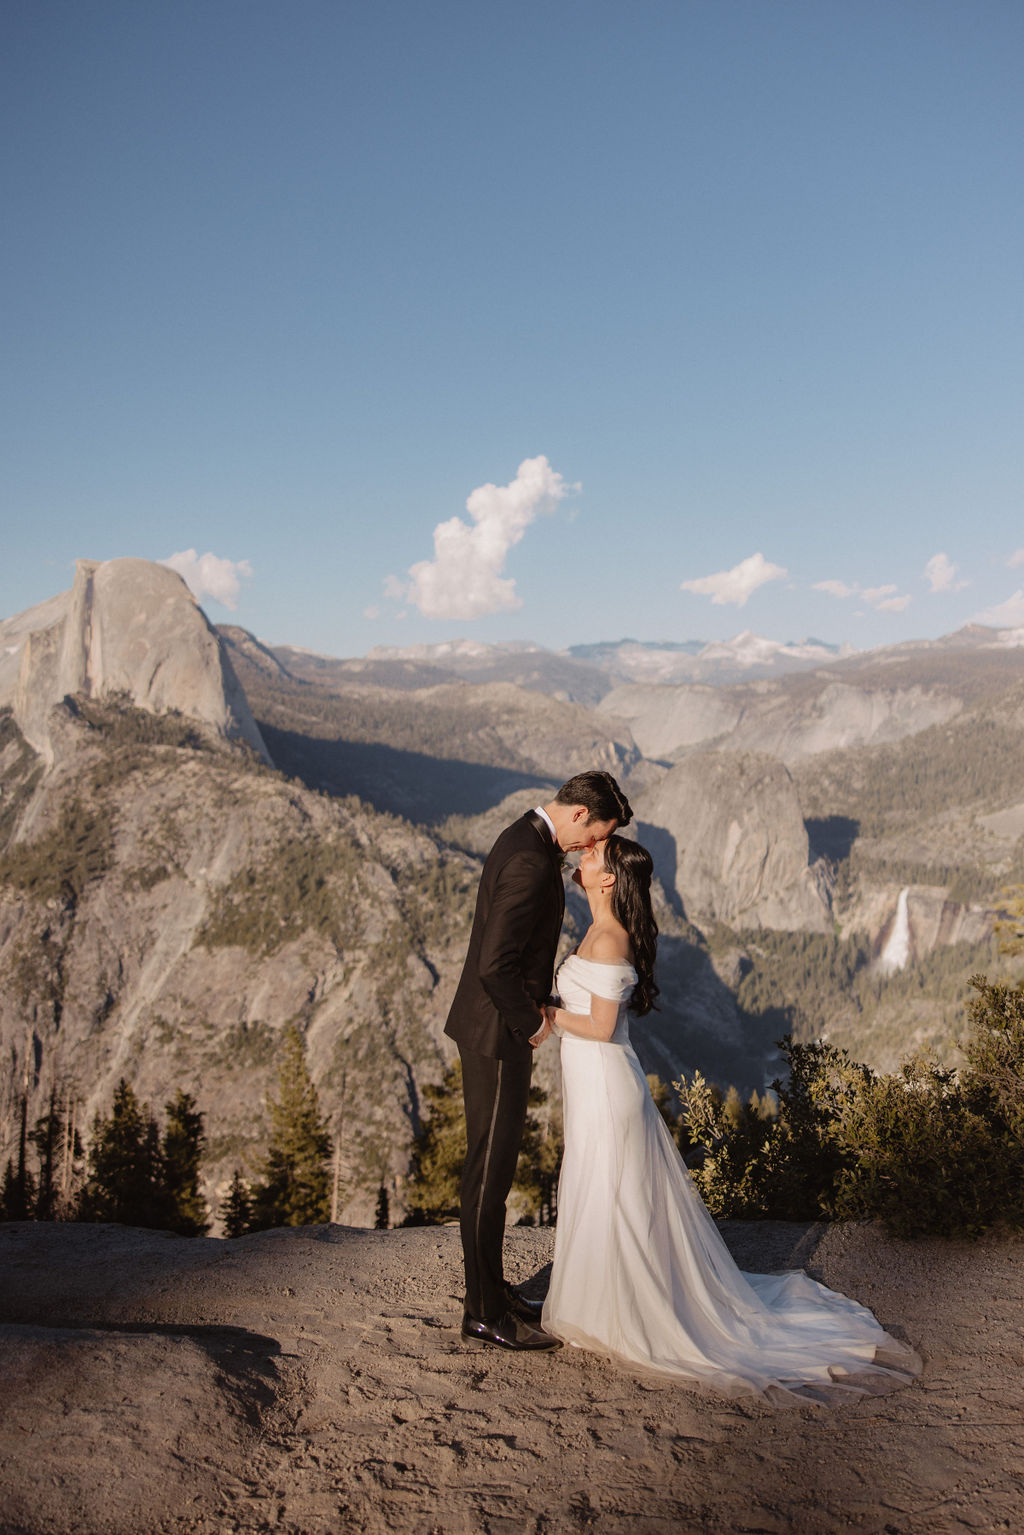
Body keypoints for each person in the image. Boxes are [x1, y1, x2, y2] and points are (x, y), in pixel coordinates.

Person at [541, 834, 921, 1403]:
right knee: (604, 1190)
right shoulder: (597, 931)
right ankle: (603, 1303)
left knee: (613, 1192)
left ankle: (622, 1311)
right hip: (593, 1081)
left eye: (595, 854)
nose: (584, 854)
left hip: (605, 1082)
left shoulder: (611, 938)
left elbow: (598, 1027)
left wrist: (545, 1012)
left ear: (609, 879)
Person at [445, 770, 632, 1352]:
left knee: (488, 1170)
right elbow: (494, 965)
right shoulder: (530, 860)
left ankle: (493, 1291)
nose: (589, 848)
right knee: (489, 1174)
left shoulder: (520, 837)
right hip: (499, 1034)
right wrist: (531, 1025)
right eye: (594, 834)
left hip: (492, 1025)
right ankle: (483, 1313)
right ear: (580, 814)